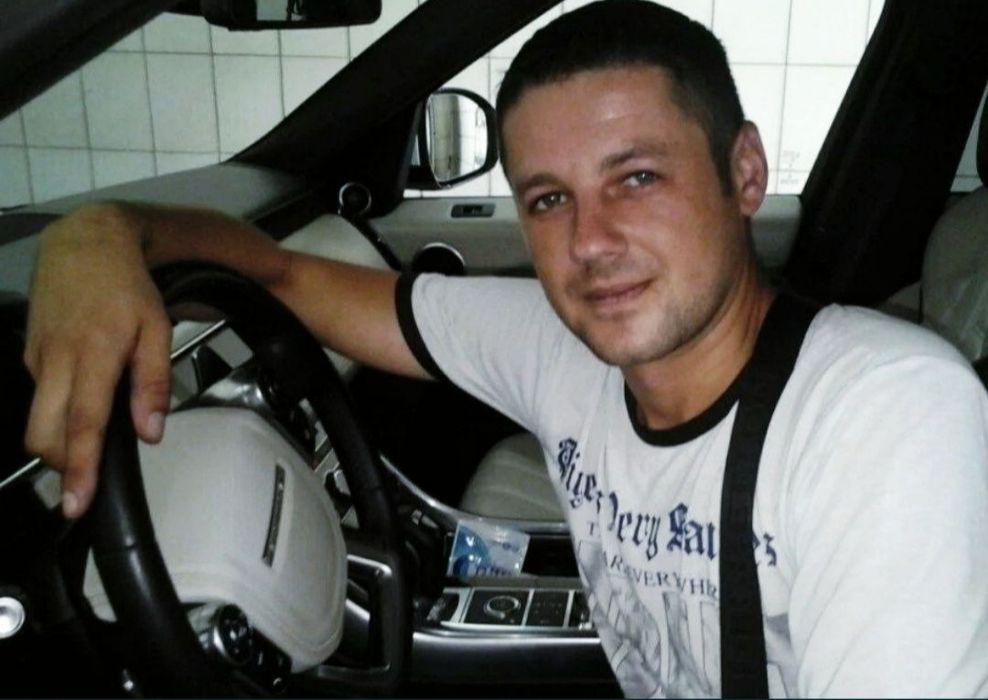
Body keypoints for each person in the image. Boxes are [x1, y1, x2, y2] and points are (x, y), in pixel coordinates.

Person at [22, 1, 988, 696]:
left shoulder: (885, 415)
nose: (590, 242)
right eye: (549, 199)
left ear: (743, 173)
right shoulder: (560, 349)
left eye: (637, 178)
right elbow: (282, 278)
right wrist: (99, 235)